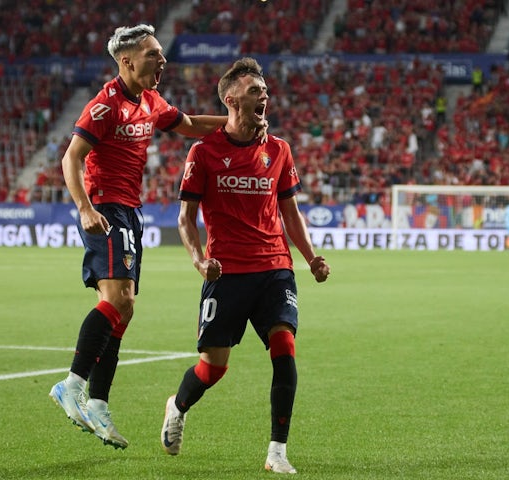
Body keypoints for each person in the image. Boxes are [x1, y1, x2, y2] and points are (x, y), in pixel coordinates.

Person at [48, 24, 243, 450]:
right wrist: (85, 208)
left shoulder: (151, 101)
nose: (162, 60)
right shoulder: (105, 106)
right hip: (107, 207)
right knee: (119, 300)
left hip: (131, 211)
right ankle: (72, 384)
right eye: (154, 54)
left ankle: (97, 403)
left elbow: (188, 124)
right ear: (127, 61)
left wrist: (235, 124)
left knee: (124, 308)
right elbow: (71, 157)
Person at [160, 58, 331, 474]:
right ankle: (177, 405)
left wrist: (310, 258)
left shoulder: (279, 149)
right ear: (232, 99)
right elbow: (185, 218)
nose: (265, 97)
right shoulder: (203, 152)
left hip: (275, 268)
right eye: (256, 91)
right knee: (213, 368)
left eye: (266, 91)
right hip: (227, 273)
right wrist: (200, 261)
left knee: (285, 347)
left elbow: (291, 213)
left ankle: (277, 451)